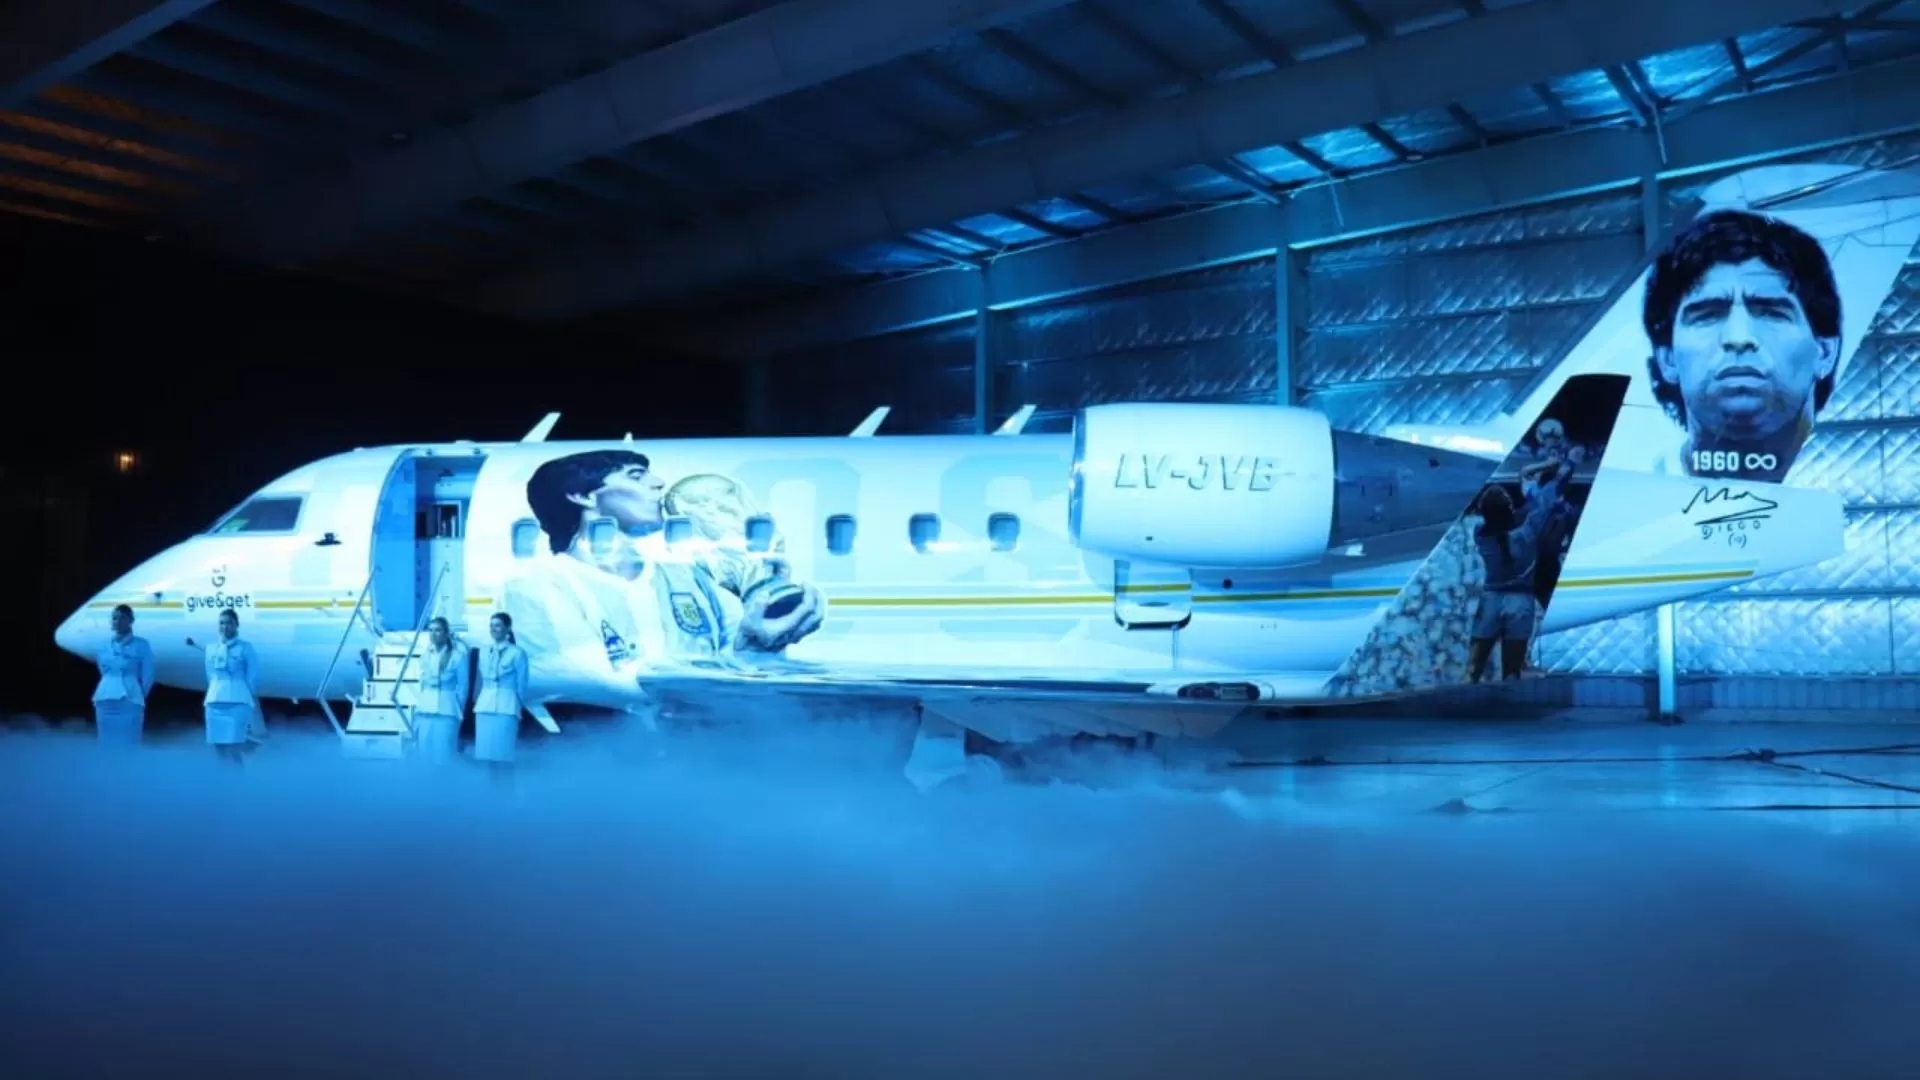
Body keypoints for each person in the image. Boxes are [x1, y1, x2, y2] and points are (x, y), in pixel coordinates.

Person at [1643, 209, 1842, 484]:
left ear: (1825, 352)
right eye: (1707, 315)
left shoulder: (1836, 485)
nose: (1738, 337)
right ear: (1668, 360)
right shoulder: (1631, 489)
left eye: (1771, 312)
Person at [1467, 459, 1571, 683]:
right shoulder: (1529, 531)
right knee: (1512, 672)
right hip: (1520, 602)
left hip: (1491, 599)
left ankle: (1462, 699)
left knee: (1473, 668)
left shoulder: (1480, 534)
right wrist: (1557, 467)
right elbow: (1546, 498)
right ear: (1511, 509)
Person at [188, 608, 258, 762]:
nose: (225, 627)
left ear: (236, 625)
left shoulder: (246, 648)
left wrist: (246, 697)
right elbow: (210, 675)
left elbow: (252, 677)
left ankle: (237, 777)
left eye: (229, 623)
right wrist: (217, 691)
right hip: (215, 701)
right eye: (221, 623)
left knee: (234, 748)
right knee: (218, 748)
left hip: (238, 701)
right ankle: (223, 777)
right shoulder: (211, 648)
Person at [472, 612, 528, 775]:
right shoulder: (483, 651)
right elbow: (479, 681)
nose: (493, 629)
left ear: (508, 628)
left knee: (504, 755)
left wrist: (517, 706)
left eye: (497, 625)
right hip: (485, 706)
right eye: (491, 626)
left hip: (506, 706)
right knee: (485, 755)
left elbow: (522, 684)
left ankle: (505, 789)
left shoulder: (517, 653)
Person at [92, 603, 154, 744]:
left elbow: (148, 675)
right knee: (105, 741)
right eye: (115, 618)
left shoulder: (142, 645)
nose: (118, 621)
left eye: (122, 618)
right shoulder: (103, 645)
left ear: (131, 620)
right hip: (105, 697)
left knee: (130, 740)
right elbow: (103, 670)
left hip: (130, 698)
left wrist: (138, 693)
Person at [411, 616, 468, 763]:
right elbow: (421, 683)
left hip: (447, 709)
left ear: (446, 633)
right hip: (426, 710)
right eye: (430, 630)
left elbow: (463, 687)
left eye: (437, 630)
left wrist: (456, 707)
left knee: (445, 753)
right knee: (424, 752)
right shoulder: (425, 656)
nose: (433, 634)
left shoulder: (458, 656)